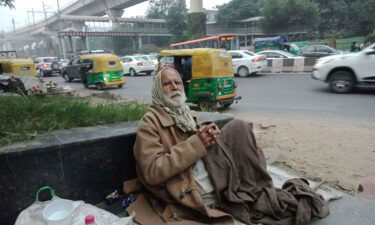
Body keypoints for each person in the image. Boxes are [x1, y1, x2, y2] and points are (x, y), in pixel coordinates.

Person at [124, 68, 329, 225]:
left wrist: (205, 134)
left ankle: (256, 189)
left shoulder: (186, 114)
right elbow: (151, 172)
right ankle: (254, 191)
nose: (175, 87)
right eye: (167, 84)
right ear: (158, 91)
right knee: (238, 135)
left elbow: (192, 144)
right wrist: (197, 143)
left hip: (199, 167)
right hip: (186, 185)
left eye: (177, 82)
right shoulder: (150, 123)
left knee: (239, 130)